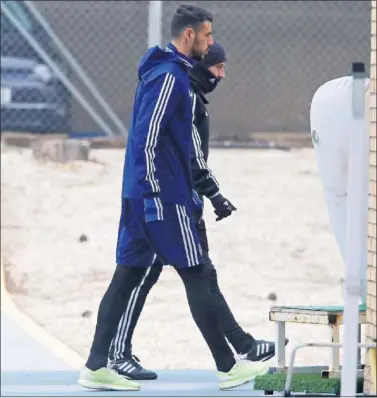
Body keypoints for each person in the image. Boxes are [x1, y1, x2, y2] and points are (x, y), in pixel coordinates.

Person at [78, 5, 268, 392]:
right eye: (208, 35)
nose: (211, 42)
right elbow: (148, 136)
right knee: (197, 272)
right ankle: (230, 366)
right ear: (189, 36)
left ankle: (97, 365)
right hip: (163, 197)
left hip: (143, 196)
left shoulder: (172, 75)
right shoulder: (170, 79)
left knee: (128, 275)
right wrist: (154, 191)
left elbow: (179, 141)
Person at [107, 42, 283, 381]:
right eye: (218, 68)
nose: (221, 75)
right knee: (162, 274)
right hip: (166, 200)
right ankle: (115, 354)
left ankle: (238, 348)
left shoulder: (187, 94)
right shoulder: (180, 93)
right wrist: (213, 194)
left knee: (192, 274)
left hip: (177, 198)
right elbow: (184, 153)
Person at [310, 75, 370, 299]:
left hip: (331, 100)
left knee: (341, 199)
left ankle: (363, 291)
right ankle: (363, 292)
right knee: (343, 198)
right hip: (336, 102)